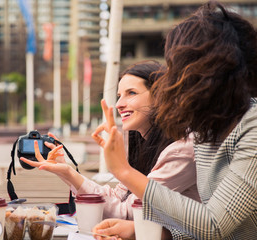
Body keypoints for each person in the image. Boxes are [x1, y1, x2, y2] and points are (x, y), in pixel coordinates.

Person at [92, 1, 257, 239]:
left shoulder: (251, 127)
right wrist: (153, 232)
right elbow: (204, 222)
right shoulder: (206, 127)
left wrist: (124, 171)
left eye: (178, 66)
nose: (171, 78)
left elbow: (214, 226)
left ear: (210, 71)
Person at [20, 61, 199, 221]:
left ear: (160, 97)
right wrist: (66, 171)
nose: (119, 104)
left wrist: (119, 166)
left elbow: (126, 214)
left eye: (131, 93)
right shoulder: (148, 145)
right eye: (119, 95)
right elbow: (118, 196)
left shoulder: (180, 150)